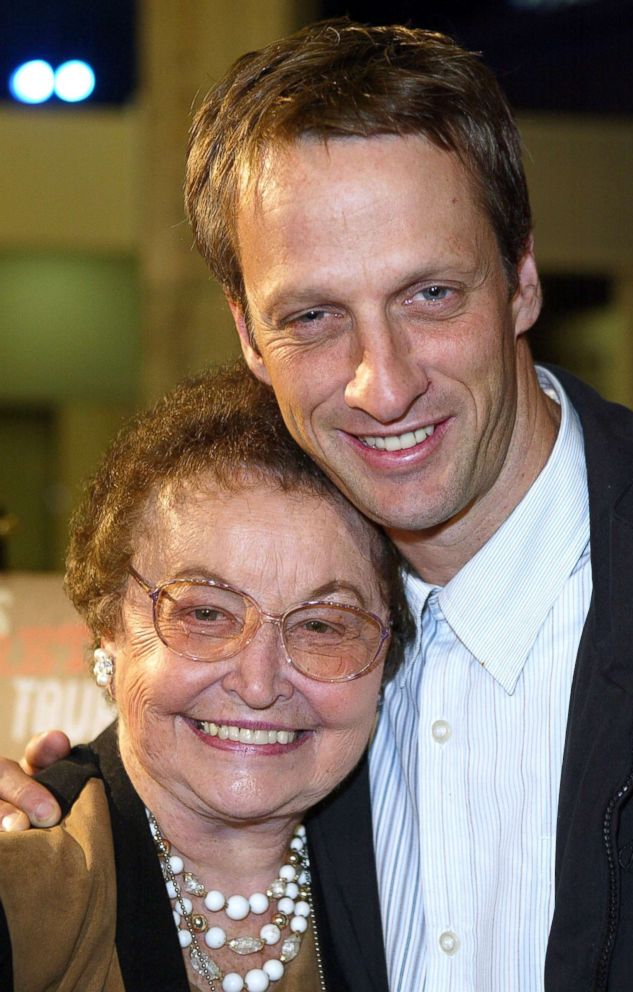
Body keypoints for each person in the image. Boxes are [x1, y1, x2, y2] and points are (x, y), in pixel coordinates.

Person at [2, 18, 633, 992]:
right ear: (248, 335)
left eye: (429, 294)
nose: (382, 385)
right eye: (312, 315)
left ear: (520, 276)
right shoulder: (286, 686)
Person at [0, 360, 411, 992]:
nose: (258, 682)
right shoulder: (28, 884)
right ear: (108, 621)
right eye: (206, 613)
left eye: (323, 626)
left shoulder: (425, 870)